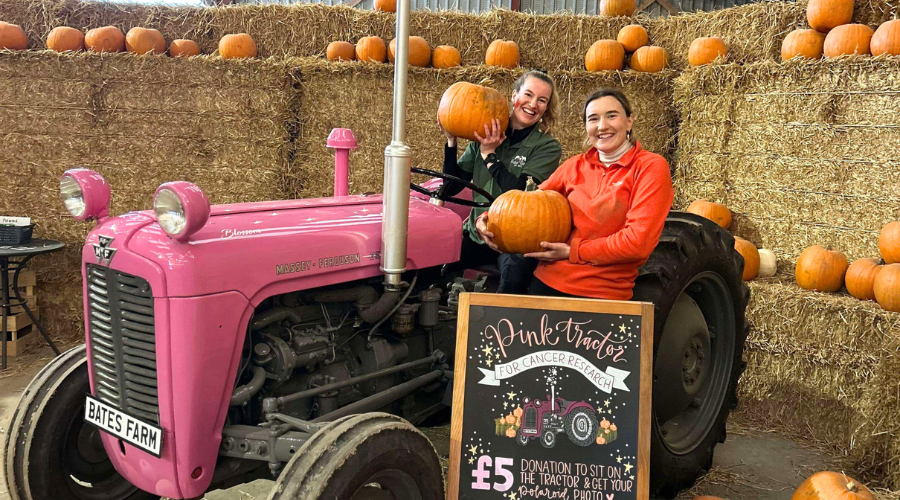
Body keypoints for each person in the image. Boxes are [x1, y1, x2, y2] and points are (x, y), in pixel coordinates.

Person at [477, 88, 674, 300]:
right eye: (593, 119)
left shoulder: (650, 167)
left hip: (601, 295)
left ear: (629, 121)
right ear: (587, 127)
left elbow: (637, 244)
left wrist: (572, 251)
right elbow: (525, 206)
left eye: (612, 116)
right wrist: (487, 219)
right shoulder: (575, 165)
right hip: (545, 285)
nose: (602, 126)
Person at [440, 70, 563, 294]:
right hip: (477, 232)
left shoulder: (547, 147)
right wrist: (451, 141)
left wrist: (490, 157)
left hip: (513, 240)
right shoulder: (483, 133)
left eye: (542, 100)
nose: (533, 104)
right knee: (431, 265)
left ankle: (498, 326)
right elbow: (452, 187)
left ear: (546, 108)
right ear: (514, 97)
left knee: (513, 278)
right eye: (528, 94)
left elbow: (520, 194)